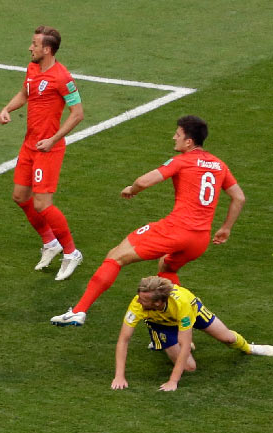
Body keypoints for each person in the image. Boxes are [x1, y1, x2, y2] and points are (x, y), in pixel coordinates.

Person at [53, 115, 244, 327]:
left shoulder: (182, 161)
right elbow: (239, 197)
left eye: (178, 135)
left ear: (188, 142)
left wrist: (131, 189)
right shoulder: (219, 165)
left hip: (175, 229)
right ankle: (176, 326)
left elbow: (143, 181)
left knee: (115, 257)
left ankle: (78, 311)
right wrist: (225, 228)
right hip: (200, 239)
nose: (174, 137)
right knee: (167, 267)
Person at [0, 25, 86, 279]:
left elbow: (77, 114)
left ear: (47, 49)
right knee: (19, 196)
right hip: (30, 144)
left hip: (49, 147)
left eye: (34, 44)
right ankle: (51, 242)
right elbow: (24, 94)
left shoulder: (62, 78)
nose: (30, 48)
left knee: (42, 203)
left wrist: (53, 139)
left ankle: (71, 252)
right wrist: (7, 109)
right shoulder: (33, 68)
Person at [109, 276, 272, 392]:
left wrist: (173, 381)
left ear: (158, 302)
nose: (138, 301)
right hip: (159, 324)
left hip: (193, 312)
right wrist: (119, 376)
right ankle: (159, 339)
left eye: (143, 299)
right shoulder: (138, 305)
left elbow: (186, 343)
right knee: (189, 367)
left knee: (228, 338)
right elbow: (123, 340)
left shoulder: (182, 304)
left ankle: (250, 348)